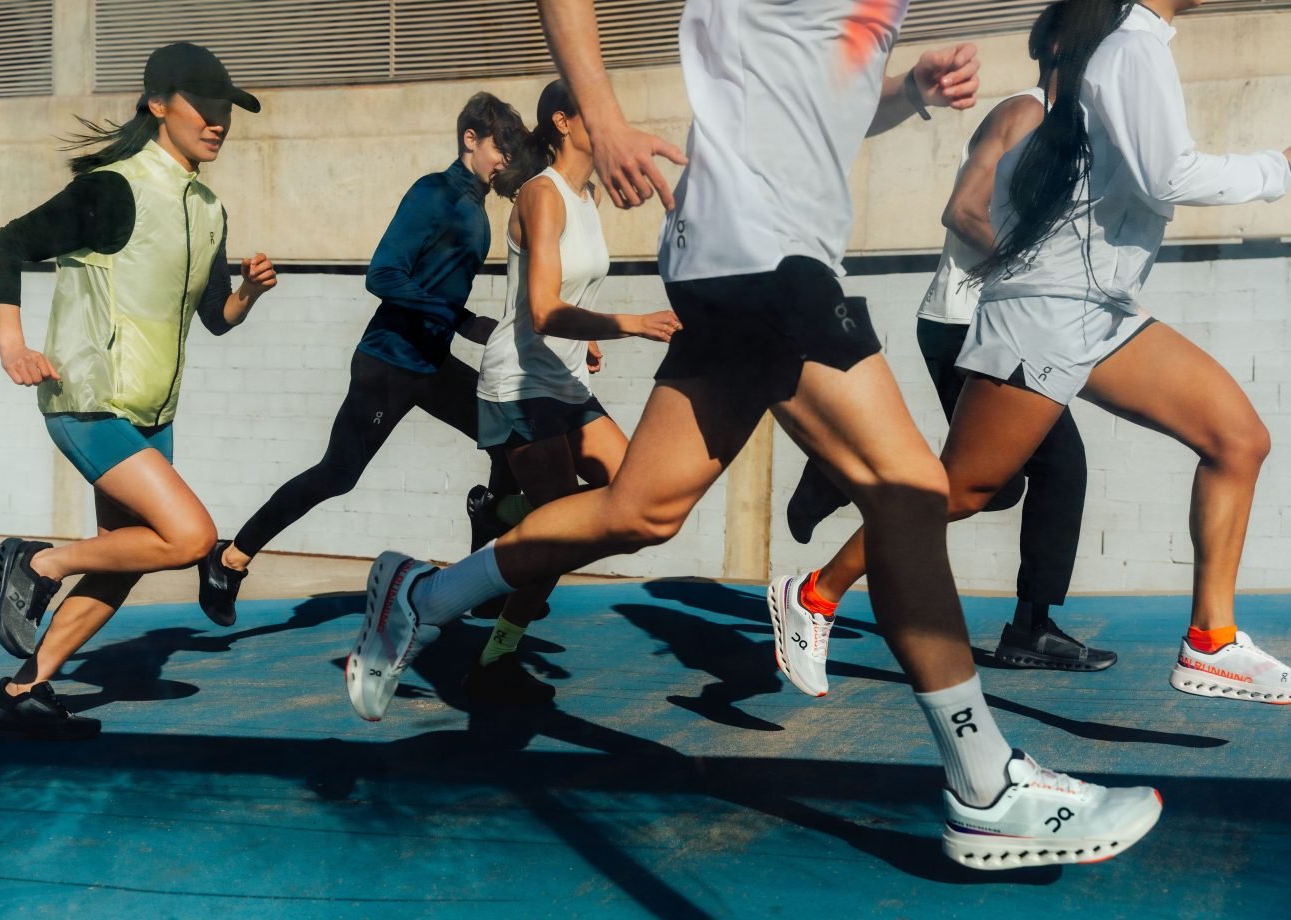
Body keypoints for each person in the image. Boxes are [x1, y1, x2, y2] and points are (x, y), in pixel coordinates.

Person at [344, 0, 1163, 870]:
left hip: (752, 251)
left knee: (640, 509)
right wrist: (608, 117)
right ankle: (985, 784)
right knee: (910, 490)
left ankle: (419, 597)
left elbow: (814, 99)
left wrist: (905, 92)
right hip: (760, 252)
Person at [775, 0, 1291, 707]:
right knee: (965, 490)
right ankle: (813, 593)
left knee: (1239, 439)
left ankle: (1210, 642)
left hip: (1100, 310)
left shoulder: (1130, 52)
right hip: (1049, 315)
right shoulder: (1131, 48)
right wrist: (1278, 168)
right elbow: (1166, 176)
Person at [778, 2, 1117, 673]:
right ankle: (824, 587)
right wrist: (1040, 273)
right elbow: (962, 209)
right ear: (1058, 49)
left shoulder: (1075, 130)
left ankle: (845, 474)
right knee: (1001, 478)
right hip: (971, 320)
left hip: (1007, 324)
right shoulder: (1024, 112)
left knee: (1001, 483)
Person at [0, 43, 276, 739]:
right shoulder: (113, 187)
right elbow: (8, 243)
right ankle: (38, 561)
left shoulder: (207, 208)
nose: (218, 121)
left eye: (226, 109)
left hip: (152, 412)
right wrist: (13, 346)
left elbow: (215, 320)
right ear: (158, 104)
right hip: (89, 397)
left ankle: (27, 687)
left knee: (127, 559)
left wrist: (249, 296)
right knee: (190, 536)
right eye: (203, 106)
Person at [195, 93, 530, 627]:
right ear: (471, 140)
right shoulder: (435, 192)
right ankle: (231, 558)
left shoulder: (476, 205)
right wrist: (464, 321)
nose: (506, 160)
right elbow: (382, 275)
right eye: (501, 147)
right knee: (338, 473)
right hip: (389, 364)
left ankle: (480, 574)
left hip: (431, 361)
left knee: (512, 443)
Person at [462, 79, 681, 704]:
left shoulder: (587, 198)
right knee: (562, 538)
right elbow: (541, 309)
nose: (613, 120)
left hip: (565, 379)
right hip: (521, 383)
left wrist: (587, 337)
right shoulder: (542, 195)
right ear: (563, 121)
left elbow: (566, 299)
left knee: (634, 502)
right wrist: (631, 324)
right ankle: (495, 657)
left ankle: (502, 513)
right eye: (598, 111)